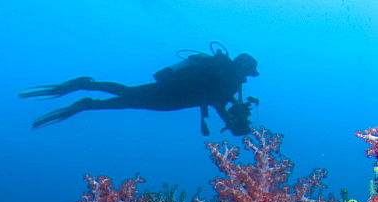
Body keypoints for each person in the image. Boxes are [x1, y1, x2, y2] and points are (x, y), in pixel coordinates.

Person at [20, 44, 259, 136]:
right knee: (129, 97)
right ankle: (88, 96)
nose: (247, 77)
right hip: (171, 98)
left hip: (170, 93)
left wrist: (231, 117)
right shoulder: (228, 79)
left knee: (129, 95)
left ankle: (88, 92)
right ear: (244, 69)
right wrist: (232, 120)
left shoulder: (225, 75)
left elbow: (216, 101)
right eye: (248, 73)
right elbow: (218, 103)